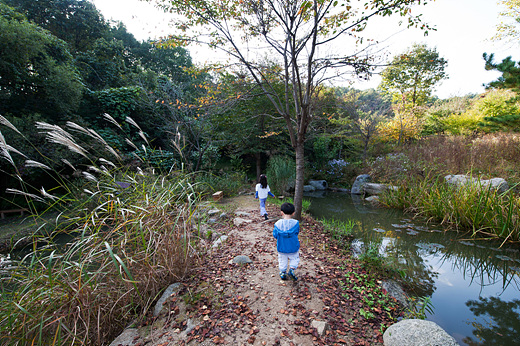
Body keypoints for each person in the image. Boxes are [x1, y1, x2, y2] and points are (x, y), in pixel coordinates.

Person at [272, 202, 300, 281]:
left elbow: (275, 235)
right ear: (293, 213)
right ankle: (291, 269)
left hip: (282, 246)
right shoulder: (296, 223)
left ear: (281, 213)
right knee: (294, 258)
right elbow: (297, 232)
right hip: (293, 246)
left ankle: (283, 272)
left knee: (282, 260)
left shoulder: (277, 224)